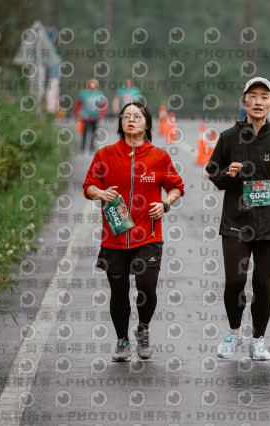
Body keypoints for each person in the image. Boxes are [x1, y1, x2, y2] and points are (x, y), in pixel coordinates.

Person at [205, 77, 270, 360]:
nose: (258, 102)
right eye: (252, 96)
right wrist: (228, 174)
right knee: (235, 281)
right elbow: (213, 172)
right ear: (244, 102)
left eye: (264, 97)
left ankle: (258, 340)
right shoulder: (229, 137)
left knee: (262, 284)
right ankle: (234, 332)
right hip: (236, 222)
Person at [83, 101, 184, 361]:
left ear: (147, 123)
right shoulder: (105, 155)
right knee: (118, 292)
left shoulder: (158, 156)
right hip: (114, 237)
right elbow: (89, 186)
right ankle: (122, 340)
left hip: (148, 235)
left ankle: (143, 329)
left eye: (137, 116)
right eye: (126, 116)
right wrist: (99, 193)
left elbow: (176, 187)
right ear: (120, 123)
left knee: (147, 288)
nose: (130, 120)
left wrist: (165, 204)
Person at [74, 78, 107, 153]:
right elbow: (79, 104)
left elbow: (102, 105)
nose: (92, 85)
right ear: (89, 84)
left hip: (95, 116)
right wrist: (76, 113)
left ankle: (92, 147)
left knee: (94, 132)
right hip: (85, 116)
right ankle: (82, 146)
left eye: (94, 84)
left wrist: (102, 114)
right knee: (84, 131)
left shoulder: (99, 94)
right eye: (91, 83)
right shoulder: (83, 93)